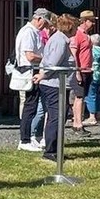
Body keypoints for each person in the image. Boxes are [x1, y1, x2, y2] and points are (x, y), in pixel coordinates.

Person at [39, 14, 78, 162]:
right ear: (69, 27)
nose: (77, 30)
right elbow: (52, 64)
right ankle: (50, 150)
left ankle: (57, 150)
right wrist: (43, 75)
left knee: (60, 116)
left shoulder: (61, 40)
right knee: (56, 117)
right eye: (75, 26)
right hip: (54, 85)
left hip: (59, 85)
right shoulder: (59, 41)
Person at [15, 8, 51, 151]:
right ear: (39, 19)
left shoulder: (33, 32)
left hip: (33, 70)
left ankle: (29, 137)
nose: (45, 26)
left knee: (33, 106)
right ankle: (24, 140)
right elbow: (30, 56)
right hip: (29, 70)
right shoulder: (29, 32)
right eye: (45, 23)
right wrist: (47, 58)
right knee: (30, 106)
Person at [70, 10, 95, 133]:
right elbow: (73, 54)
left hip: (87, 69)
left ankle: (77, 122)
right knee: (79, 97)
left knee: (81, 97)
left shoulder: (87, 35)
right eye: (92, 21)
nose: (93, 23)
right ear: (85, 21)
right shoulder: (78, 34)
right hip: (81, 70)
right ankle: (78, 124)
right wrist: (77, 71)